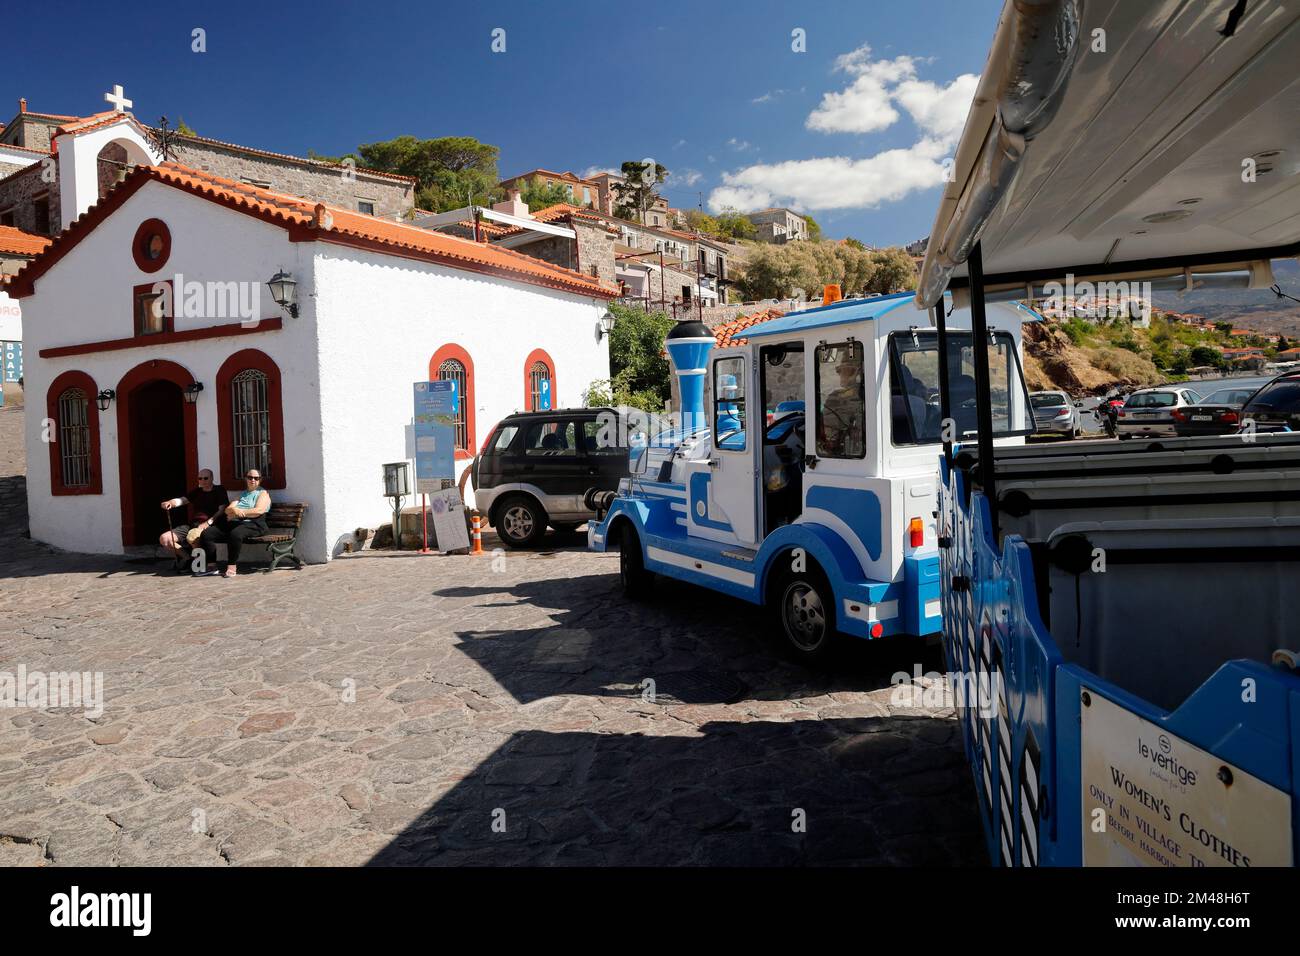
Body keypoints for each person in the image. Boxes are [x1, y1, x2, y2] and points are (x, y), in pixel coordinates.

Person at [198, 469, 271, 578]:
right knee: (207, 534)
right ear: (246, 479)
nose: (253, 480)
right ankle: (212, 566)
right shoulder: (242, 494)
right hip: (237, 523)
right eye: (250, 477)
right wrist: (234, 511)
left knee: (235, 534)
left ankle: (231, 566)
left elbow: (258, 510)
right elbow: (228, 509)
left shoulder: (263, 493)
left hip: (255, 524)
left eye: (256, 478)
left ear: (260, 480)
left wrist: (237, 513)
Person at [160, 470, 230, 572]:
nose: (203, 480)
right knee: (165, 539)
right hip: (193, 524)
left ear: (212, 478)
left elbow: (222, 509)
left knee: (193, 537)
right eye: (200, 478)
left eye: (206, 478)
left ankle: (198, 564)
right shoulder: (197, 491)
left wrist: (208, 522)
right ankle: (187, 558)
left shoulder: (219, 490)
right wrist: (170, 502)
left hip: (211, 524)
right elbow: (182, 500)